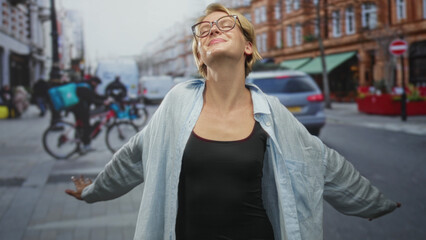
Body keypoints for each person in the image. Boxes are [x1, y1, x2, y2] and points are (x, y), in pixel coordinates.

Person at [66, 4, 400, 240]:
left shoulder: (271, 111)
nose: (213, 29)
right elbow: (134, 155)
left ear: (248, 46)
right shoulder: (177, 102)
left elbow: (323, 162)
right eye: (204, 29)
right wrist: (94, 192)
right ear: (199, 54)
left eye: (226, 24)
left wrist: (372, 204)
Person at [70, 77, 108, 153]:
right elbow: (92, 99)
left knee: (80, 127)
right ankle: (86, 145)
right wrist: (103, 102)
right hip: (79, 109)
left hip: (77, 108)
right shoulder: (86, 88)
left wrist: (105, 97)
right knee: (86, 126)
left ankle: (78, 146)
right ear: (94, 82)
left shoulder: (86, 86)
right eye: (97, 85)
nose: (96, 86)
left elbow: (94, 96)